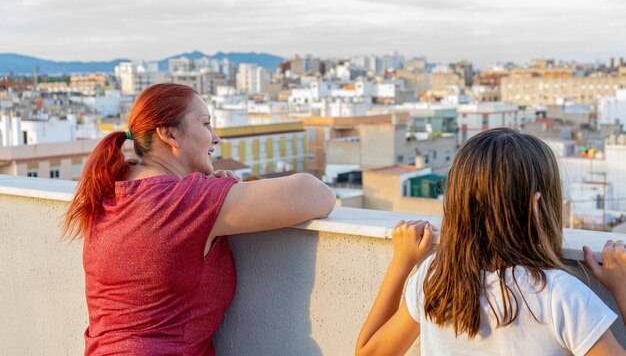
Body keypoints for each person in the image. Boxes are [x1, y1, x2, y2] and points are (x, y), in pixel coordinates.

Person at [63, 83, 336, 355]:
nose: (215, 138)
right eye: (205, 124)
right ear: (169, 133)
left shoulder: (112, 190)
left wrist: (209, 191)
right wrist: (211, 192)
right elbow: (315, 195)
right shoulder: (183, 201)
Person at [356, 128, 626, 356]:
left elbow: (368, 352)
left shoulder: (434, 278)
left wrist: (401, 263)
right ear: (536, 206)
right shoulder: (561, 295)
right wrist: (622, 287)